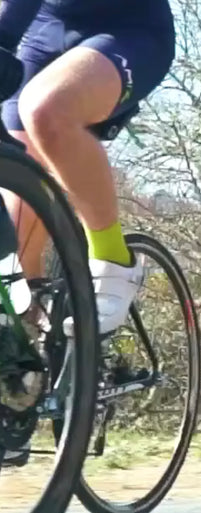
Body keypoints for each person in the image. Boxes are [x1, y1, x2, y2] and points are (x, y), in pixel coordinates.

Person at [0, 0, 176, 337]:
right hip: (43, 30)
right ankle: (39, 338)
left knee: (47, 110)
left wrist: (4, 37)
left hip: (130, 31)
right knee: (13, 261)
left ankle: (113, 259)